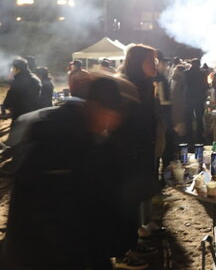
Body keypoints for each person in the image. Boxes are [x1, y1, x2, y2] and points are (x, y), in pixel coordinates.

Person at [1, 77, 124, 269]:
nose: (114, 121)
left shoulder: (79, 129)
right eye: (111, 113)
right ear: (94, 106)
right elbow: (56, 217)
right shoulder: (60, 137)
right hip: (44, 256)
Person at [113, 44, 162, 268]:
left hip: (142, 151)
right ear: (137, 62)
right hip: (125, 155)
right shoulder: (125, 86)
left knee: (133, 204)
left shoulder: (145, 84)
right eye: (150, 60)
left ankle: (132, 243)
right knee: (124, 205)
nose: (155, 64)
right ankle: (122, 252)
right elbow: (119, 125)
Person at [2, 58, 41, 123]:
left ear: (17, 68)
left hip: (20, 114)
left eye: (12, 68)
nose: (11, 70)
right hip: (33, 113)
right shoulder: (35, 78)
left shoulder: (19, 80)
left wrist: (5, 106)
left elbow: (11, 96)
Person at [184, 58, 209, 146]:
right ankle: (199, 136)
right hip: (199, 98)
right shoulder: (202, 74)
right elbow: (206, 86)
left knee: (189, 118)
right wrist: (204, 95)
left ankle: (189, 137)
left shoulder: (186, 73)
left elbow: (183, 86)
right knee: (199, 118)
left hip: (188, 98)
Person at [170, 64, 187, 144]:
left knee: (176, 123)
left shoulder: (172, 79)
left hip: (174, 104)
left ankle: (177, 141)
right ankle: (180, 142)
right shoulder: (180, 79)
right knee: (180, 122)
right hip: (179, 104)